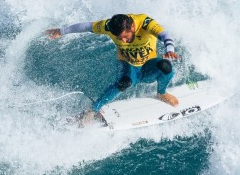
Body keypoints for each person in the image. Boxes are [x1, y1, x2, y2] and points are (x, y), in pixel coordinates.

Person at [45, 13, 179, 122]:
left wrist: (170, 48)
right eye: (119, 38)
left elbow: (165, 35)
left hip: (149, 64)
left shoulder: (144, 22)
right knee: (124, 83)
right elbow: (87, 26)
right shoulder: (109, 26)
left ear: (132, 26)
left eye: (125, 37)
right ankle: (93, 110)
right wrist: (62, 31)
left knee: (165, 66)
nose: (123, 41)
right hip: (129, 66)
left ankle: (161, 93)